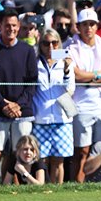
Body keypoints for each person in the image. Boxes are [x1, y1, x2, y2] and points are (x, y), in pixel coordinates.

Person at [0, 8, 38, 186]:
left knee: (20, 151)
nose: (11, 29)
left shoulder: (28, 50)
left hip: (22, 111)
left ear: (19, 26)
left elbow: (32, 82)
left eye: (14, 25)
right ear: (0, 26)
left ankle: (16, 185)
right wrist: (3, 105)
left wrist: (17, 105)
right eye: (7, 25)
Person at [67, 8, 101, 182]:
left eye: (92, 24)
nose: (88, 28)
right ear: (78, 26)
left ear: (97, 26)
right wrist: (98, 75)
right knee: (81, 149)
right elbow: (76, 75)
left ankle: (98, 181)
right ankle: (79, 184)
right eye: (85, 24)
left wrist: (87, 78)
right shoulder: (70, 47)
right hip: (81, 104)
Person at [33, 29, 75, 184]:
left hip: (61, 117)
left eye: (54, 42)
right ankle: (42, 189)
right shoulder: (35, 62)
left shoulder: (66, 61)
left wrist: (66, 70)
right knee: (41, 159)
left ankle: (58, 190)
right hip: (41, 117)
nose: (50, 47)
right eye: (46, 43)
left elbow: (70, 89)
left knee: (58, 160)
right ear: (41, 45)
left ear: (59, 43)